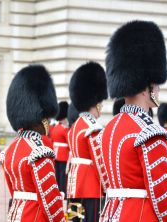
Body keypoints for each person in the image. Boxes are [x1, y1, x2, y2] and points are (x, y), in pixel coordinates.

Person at [99, 20, 167, 221]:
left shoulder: (109, 128)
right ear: (146, 87)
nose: (158, 89)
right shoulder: (149, 132)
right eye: (156, 84)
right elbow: (163, 199)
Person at [1, 64, 65, 221]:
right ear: (43, 119)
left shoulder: (12, 148)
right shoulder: (39, 151)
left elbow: (13, 190)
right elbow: (50, 202)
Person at [67, 61, 108, 222]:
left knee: (73, 220)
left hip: (74, 185)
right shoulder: (93, 127)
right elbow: (100, 162)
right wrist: (108, 188)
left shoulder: (76, 125)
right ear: (97, 103)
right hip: (90, 187)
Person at [51, 101, 69, 195]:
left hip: (56, 153)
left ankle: (58, 191)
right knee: (63, 175)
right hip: (63, 154)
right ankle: (62, 191)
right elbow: (69, 142)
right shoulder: (64, 129)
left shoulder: (55, 127)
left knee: (57, 174)